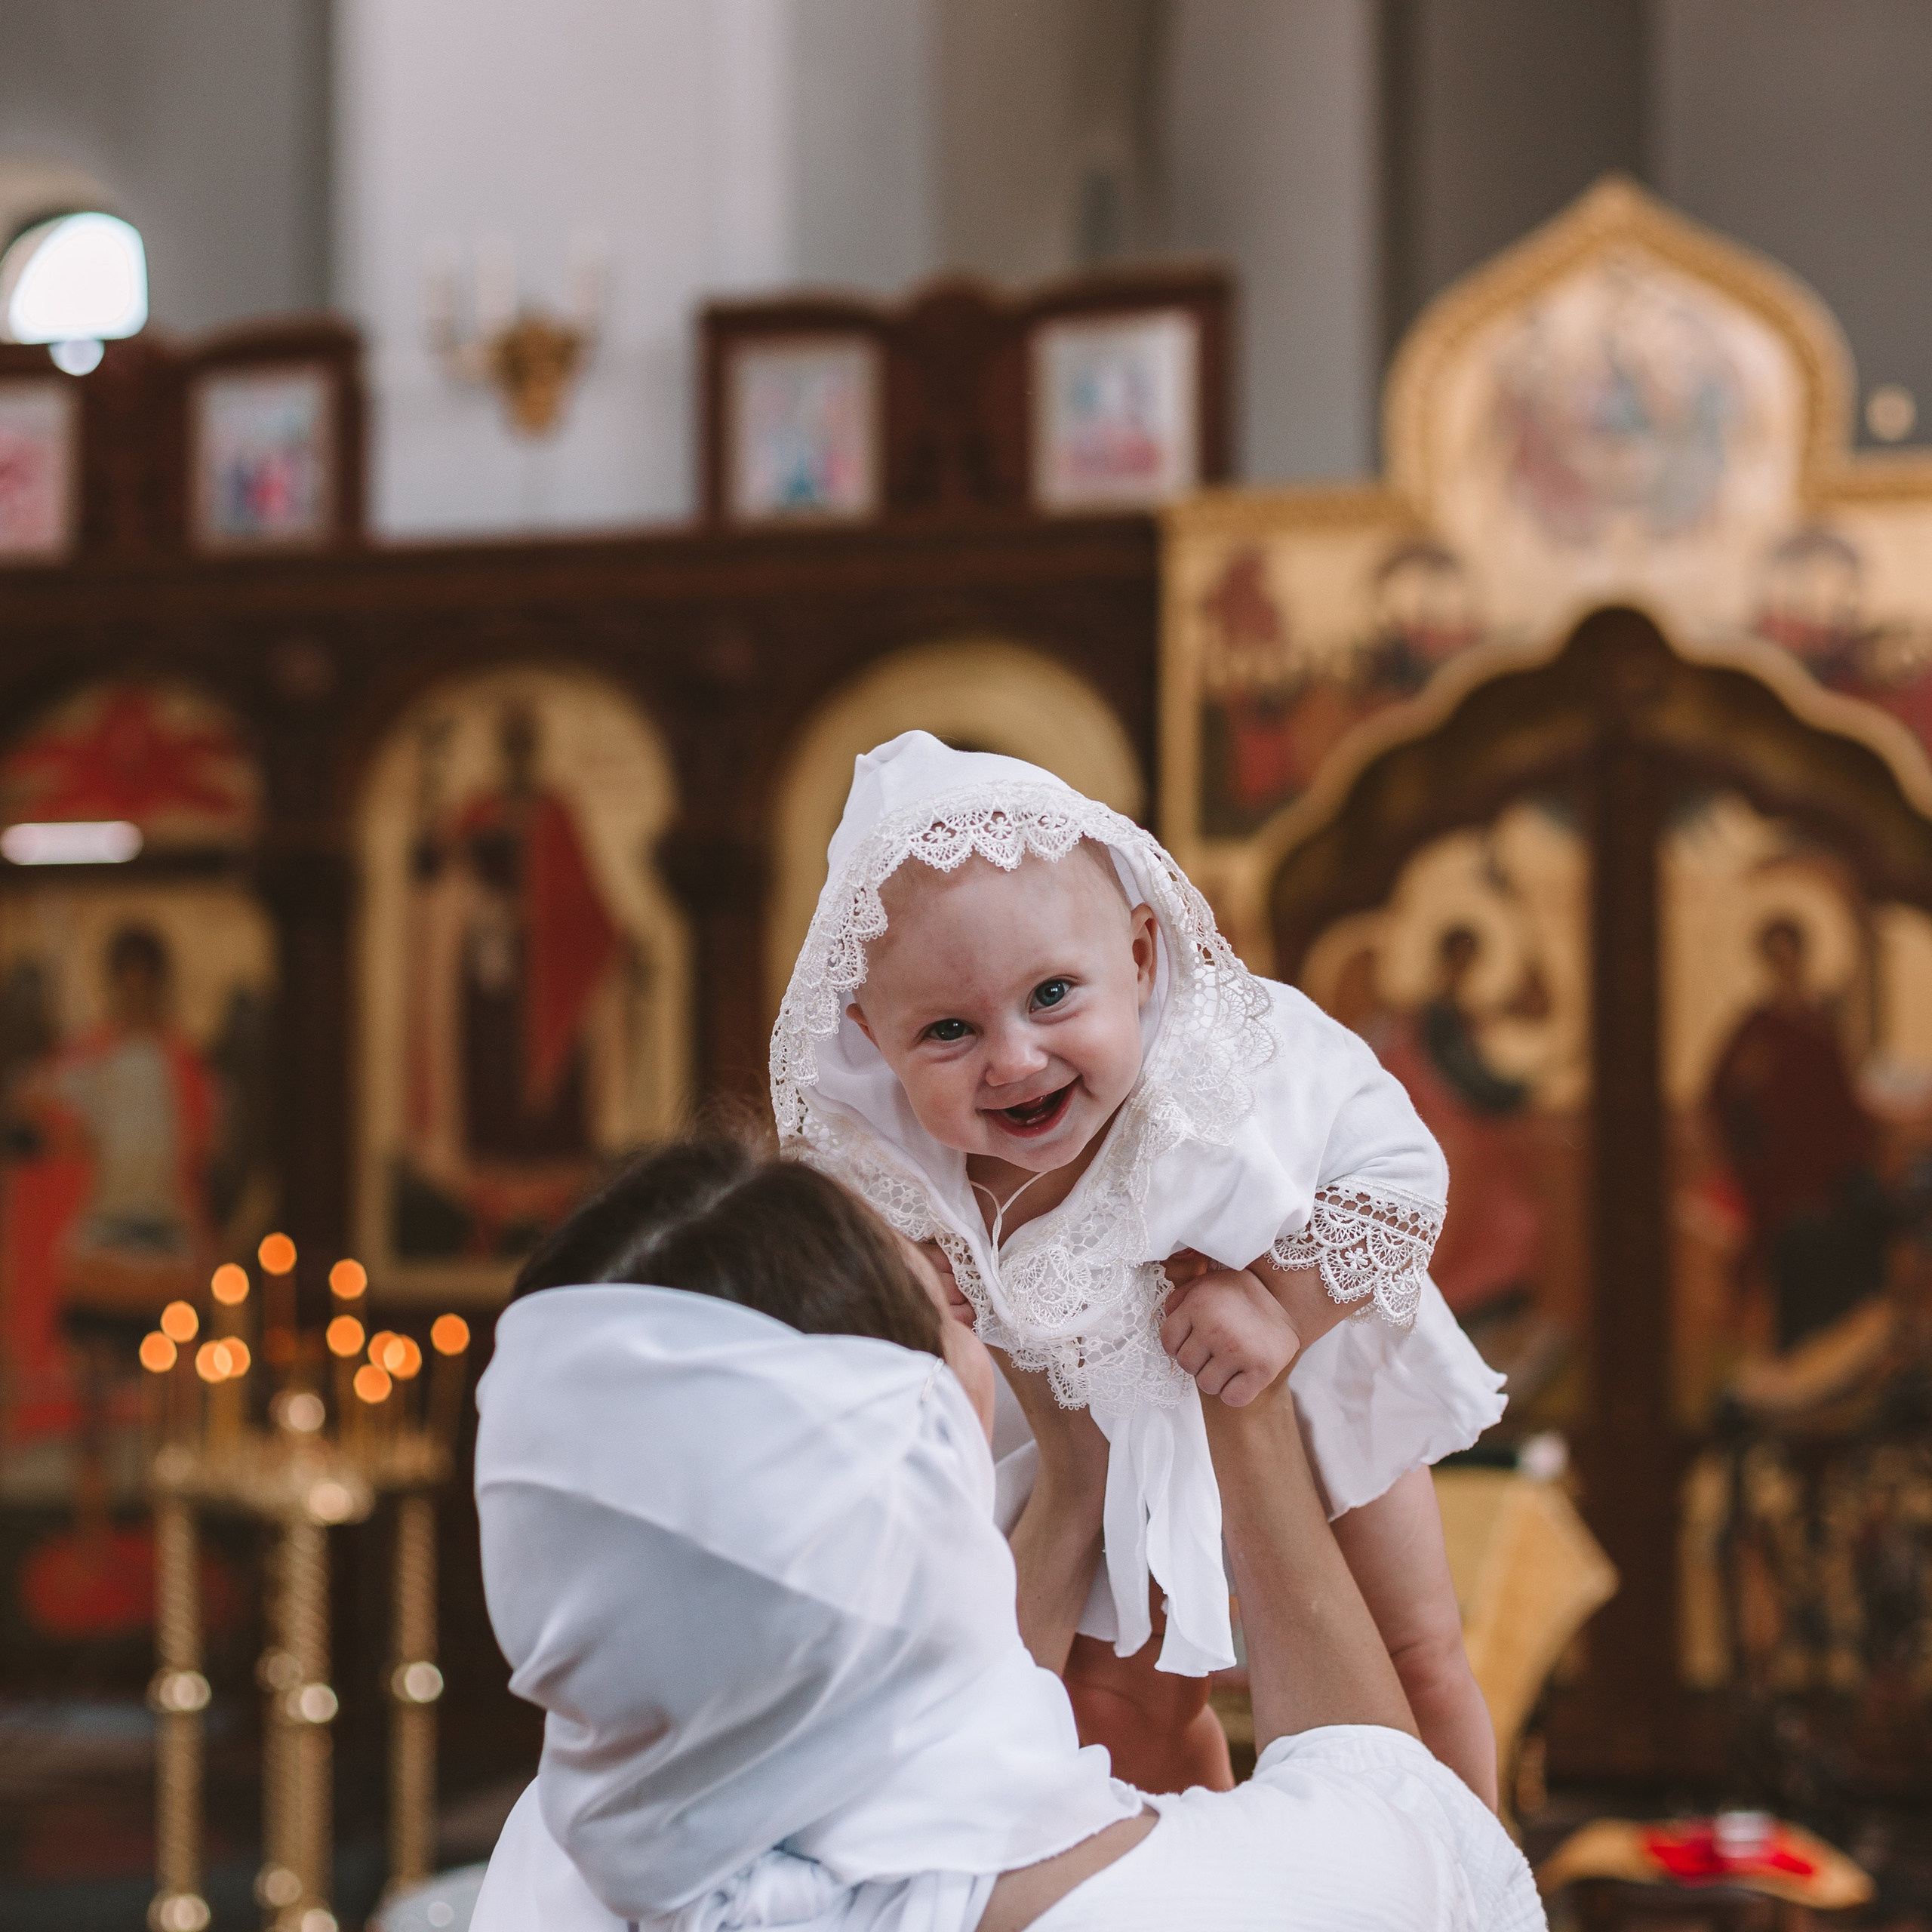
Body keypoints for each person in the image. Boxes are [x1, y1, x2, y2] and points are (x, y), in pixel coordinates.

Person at [469, 1138, 1543, 1931]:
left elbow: (867, 1711)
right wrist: (1247, 1408)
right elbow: (1417, 1832)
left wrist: (1075, 1493)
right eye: (939, 1301)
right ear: (922, 1433)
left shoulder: (547, 1874)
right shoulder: (1203, 1902)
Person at [771, 734, 1504, 1804]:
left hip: (1311, 1376)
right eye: (947, 1030)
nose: (1015, 1059)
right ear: (870, 1037)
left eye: (1054, 995)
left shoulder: (1233, 1057)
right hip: (1109, 1437)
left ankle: (1474, 1885)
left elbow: (1403, 1172)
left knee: (1415, 1656)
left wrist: (1284, 1305)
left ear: (1144, 957)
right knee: (1121, 1711)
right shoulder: (896, 1178)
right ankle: (1182, 1875)